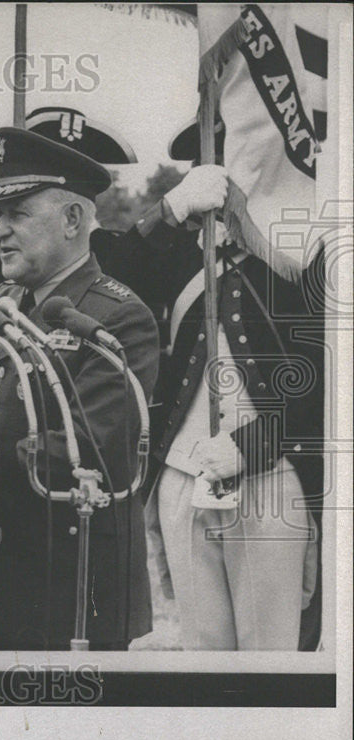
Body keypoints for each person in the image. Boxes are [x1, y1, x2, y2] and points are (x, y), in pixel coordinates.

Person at [0, 127, 160, 650]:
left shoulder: (119, 316)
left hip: (72, 585)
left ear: (72, 220)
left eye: (18, 214)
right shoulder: (1, 301)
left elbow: (90, 447)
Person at [131, 121, 323, 650]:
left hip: (272, 478)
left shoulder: (307, 262)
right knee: (203, 657)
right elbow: (114, 276)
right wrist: (168, 212)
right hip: (181, 478)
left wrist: (249, 447)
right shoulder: (178, 257)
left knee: (270, 657)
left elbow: (330, 387)